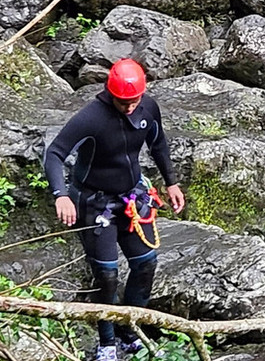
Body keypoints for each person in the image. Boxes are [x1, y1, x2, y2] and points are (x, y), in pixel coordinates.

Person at [44, 58, 185, 361]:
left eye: (134, 100)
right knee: (107, 276)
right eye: (123, 102)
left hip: (131, 198)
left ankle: (130, 332)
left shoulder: (148, 107)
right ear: (111, 95)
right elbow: (55, 153)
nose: (130, 107)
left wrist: (171, 182)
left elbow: (158, 145)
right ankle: (106, 342)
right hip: (95, 203)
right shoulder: (91, 118)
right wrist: (61, 195)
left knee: (146, 264)